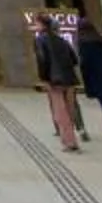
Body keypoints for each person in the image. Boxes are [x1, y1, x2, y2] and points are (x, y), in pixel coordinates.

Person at [30, 12, 83, 151]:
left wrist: (44, 78)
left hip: (54, 79)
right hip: (69, 79)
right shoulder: (62, 40)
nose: (35, 26)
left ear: (42, 25)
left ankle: (69, 141)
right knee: (70, 109)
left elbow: (42, 60)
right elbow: (74, 59)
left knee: (60, 111)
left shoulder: (40, 40)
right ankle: (72, 136)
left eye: (36, 23)